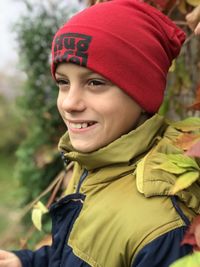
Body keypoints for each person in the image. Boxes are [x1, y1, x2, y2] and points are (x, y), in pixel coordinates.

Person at [0, 0, 200, 266]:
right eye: (63, 82)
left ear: (142, 93)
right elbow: (79, 252)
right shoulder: (94, 163)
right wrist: (27, 261)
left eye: (95, 82)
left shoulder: (161, 226)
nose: (69, 103)